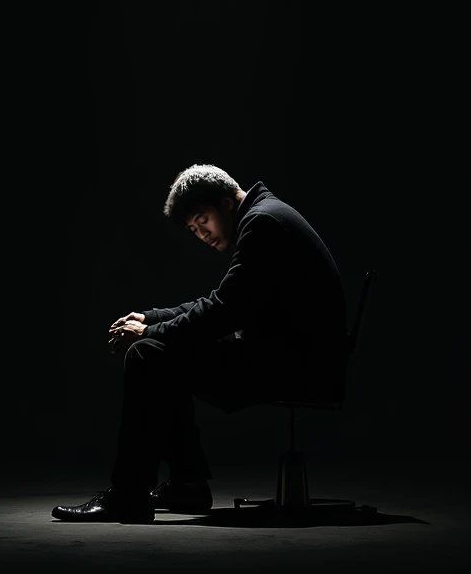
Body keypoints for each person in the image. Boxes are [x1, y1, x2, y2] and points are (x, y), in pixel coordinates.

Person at [51, 164, 348, 523]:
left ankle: (132, 494)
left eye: (202, 220)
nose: (202, 234)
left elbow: (224, 310)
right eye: (193, 229)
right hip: (290, 359)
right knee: (158, 354)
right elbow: (225, 301)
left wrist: (146, 333)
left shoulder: (263, 223)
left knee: (149, 354)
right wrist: (151, 318)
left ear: (225, 202)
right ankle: (186, 484)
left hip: (295, 368)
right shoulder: (265, 215)